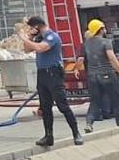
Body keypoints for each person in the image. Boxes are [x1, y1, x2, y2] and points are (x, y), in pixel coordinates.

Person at [19, 16, 83, 146]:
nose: (31, 30)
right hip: (42, 74)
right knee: (45, 107)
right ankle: (48, 136)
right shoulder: (38, 38)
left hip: (53, 74)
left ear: (37, 26)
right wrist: (30, 38)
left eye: (32, 28)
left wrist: (23, 37)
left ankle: (76, 133)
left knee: (62, 105)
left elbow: (40, 48)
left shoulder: (52, 37)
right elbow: (27, 50)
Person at [76, 19, 119, 133]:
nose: (105, 30)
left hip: (92, 77)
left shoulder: (86, 44)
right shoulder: (106, 42)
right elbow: (111, 57)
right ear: (100, 30)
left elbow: (80, 60)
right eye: (103, 28)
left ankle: (89, 123)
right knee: (116, 100)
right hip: (107, 74)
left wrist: (76, 69)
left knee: (95, 102)